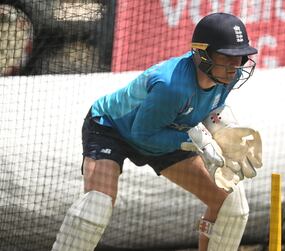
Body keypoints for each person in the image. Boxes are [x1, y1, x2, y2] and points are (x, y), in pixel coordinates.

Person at [52, 12, 262, 251]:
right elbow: (143, 135)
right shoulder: (171, 86)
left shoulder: (227, 76)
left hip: (168, 128)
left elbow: (206, 106)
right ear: (202, 54)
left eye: (241, 58)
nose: (236, 67)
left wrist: (223, 130)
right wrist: (200, 143)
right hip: (111, 128)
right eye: (227, 57)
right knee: (96, 206)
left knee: (231, 206)